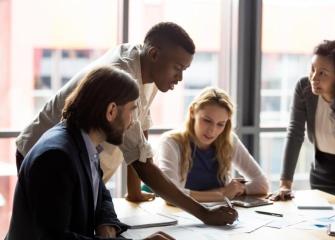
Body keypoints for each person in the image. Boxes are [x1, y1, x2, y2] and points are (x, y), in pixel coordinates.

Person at [15, 22, 195, 202]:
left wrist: (134, 191)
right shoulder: (123, 75)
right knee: (56, 227)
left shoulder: (150, 67)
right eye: (177, 68)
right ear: (154, 54)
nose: (179, 78)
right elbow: (143, 165)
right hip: (47, 158)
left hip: (82, 167)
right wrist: (204, 214)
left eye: (184, 70)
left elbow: (140, 133)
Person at [6, 66, 175, 239]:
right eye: (132, 110)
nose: (132, 122)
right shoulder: (57, 157)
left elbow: (101, 193)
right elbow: (55, 238)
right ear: (111, 111)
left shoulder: (83, 143)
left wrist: (106, 223)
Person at [271, 39, 335, 212]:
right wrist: (285, 184)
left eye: (323, 73)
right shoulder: (303, 88)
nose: (314, 78)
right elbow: (295, 133)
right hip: (320, 172)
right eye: (313, 69)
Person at [154, 87, 269, 202]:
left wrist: (240, 188)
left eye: (220, 124)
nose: (212, 131)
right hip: (178, 214)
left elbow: (262, 184)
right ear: (192, 112)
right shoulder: (170, 143)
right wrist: (222, 194)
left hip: (217, 215)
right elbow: (170, 194)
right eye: (207, 120)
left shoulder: (228, 140)